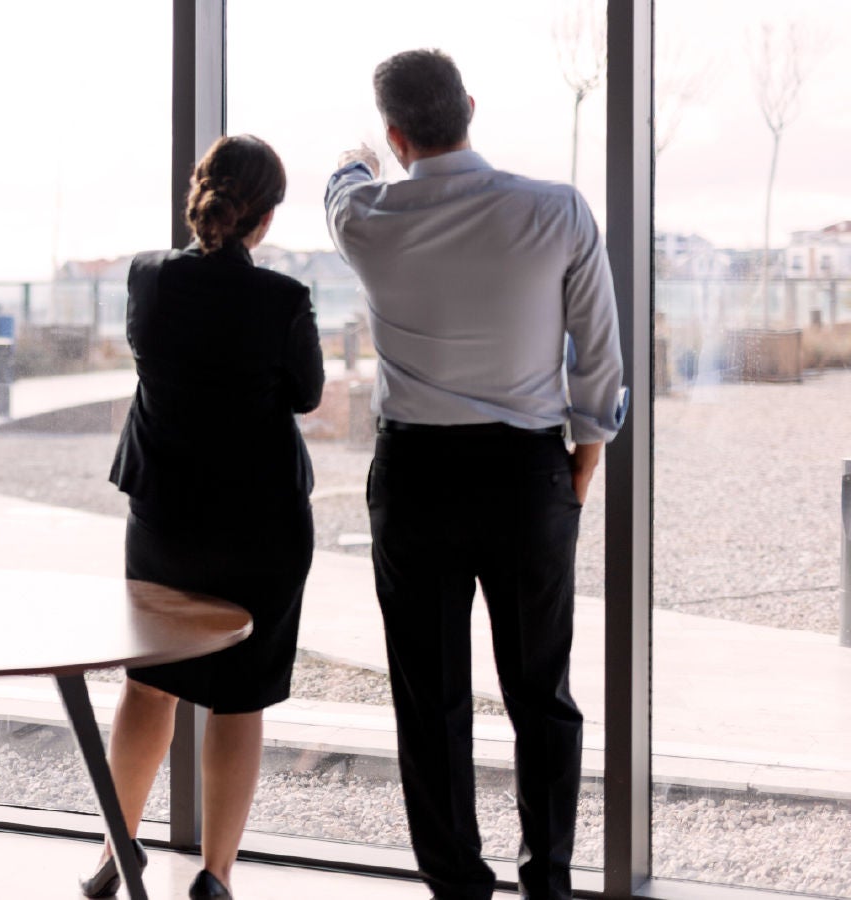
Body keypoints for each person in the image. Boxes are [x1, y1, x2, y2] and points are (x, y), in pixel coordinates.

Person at [325, 49, 626, 900]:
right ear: (470, 106)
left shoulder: (367, 220)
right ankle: (550, 880)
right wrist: (580, 466)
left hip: (417, 477)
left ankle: (456, 883)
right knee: (542, 691)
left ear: (396, 132)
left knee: (430, 696)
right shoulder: (557, 211)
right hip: (528, 471)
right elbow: (599, 358)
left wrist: (359, 154)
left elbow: (339, 184)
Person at [86, 134, 324, 900]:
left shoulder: (148, 278)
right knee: (239, 696)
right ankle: (216, 876)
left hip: (165, 519)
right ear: (266, 217)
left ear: (201, 195)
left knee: (147, 687)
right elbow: (306, 394)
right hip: (262, 527)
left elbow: (145, 351)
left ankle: (112, 855)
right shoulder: (282, 300)